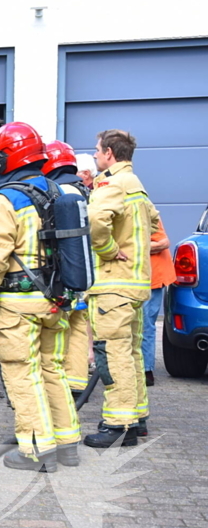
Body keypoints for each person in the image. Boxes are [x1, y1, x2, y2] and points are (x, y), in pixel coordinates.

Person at [0, 122, 81, 472]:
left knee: (22, 374)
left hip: (17, 305)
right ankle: (67, 443)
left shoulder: (5, 201)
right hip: (55, 301)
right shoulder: (57, 192)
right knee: (53, 371)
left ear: (5, 159)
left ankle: (36, 451)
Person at [84, 129, 160, 448]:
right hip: (137, 285)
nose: (96, 155)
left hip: (114, 284)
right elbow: (154, 222)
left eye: (98, 151)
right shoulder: (136, 185)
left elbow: (96, 220)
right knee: (129, 353)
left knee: (113, 356)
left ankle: (119, 425)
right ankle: (137, 418)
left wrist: (109, 250)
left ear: (110, 154)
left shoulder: (110, 182)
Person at [42, 141, 92, 397]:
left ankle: (58, 383)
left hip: (63, 273)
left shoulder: (57, 190)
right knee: (79, 327)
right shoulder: (85, 189)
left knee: (60, 327)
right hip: (84, 271)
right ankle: (77, 381)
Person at [142, 219, 175, 386]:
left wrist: (135, 247)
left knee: (145, 324)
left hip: (152, 276)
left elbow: (163, 242)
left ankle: (146, 371)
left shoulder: (144, 209)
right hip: (138, 277)